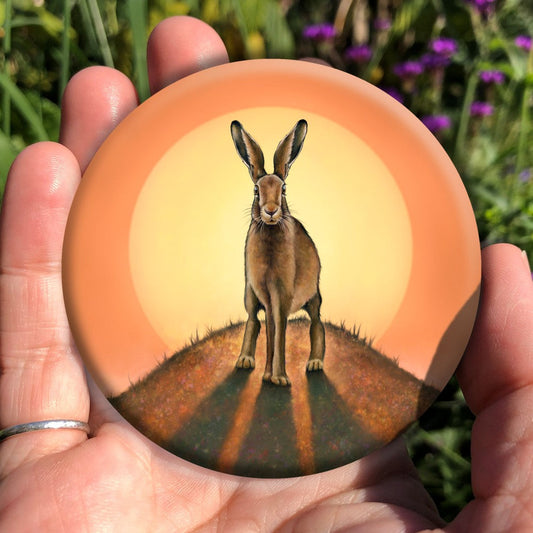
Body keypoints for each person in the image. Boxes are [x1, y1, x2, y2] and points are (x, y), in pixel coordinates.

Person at [0, 16, 532, 531]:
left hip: (300, 273)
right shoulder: (255, 225)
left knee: (301, 306)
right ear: (257, 189)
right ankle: (252, 352)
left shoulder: (295, 232)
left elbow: (292, 283)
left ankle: (296, 360)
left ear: (284, 190)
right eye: (263, 192)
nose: (270, 202)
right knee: (256, 302)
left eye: (277, 193)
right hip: (250, 268)